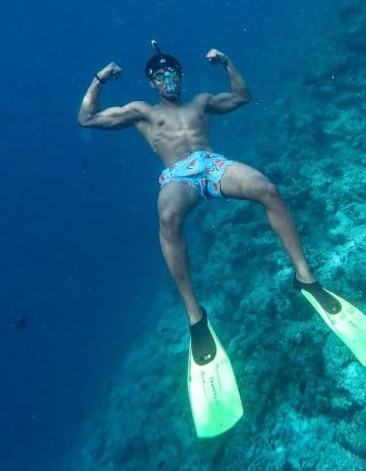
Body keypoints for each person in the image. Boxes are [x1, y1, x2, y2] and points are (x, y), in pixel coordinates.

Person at [77, 43, 340, 364]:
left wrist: (227, 62)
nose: (168, 79)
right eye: (160, 75)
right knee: (168, 217)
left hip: (213, 165)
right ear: (152, 83)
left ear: (181, 75)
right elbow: (86, 119)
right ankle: (195, 316)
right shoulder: (142, 111)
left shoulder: (201, 102)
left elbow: (242, 96)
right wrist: (99, 79)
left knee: (268, 189)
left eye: (172, 72)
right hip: (178, 177)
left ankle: (305, 277)